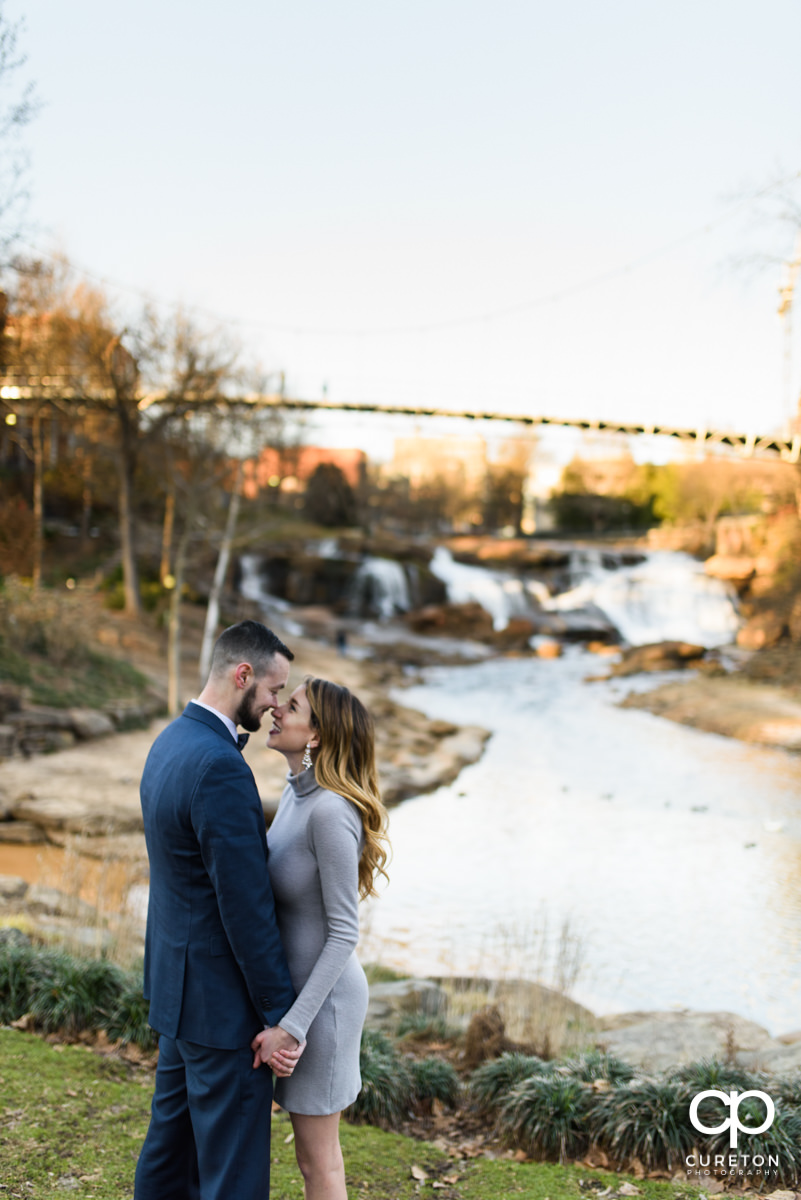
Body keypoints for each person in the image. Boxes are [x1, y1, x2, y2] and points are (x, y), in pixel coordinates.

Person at [134, 619, 304, 1200]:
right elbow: (246, 908)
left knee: (169, 1154)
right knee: (232, 1174)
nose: (276, 704)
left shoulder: (169, 742)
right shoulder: (222, 769)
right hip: (222, 1010)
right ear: (243, 675)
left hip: (177, 996)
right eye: (274, 690)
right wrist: (280, 1014)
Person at [252, 676, 389, 1200]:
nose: (275, 711)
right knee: (310, 1157)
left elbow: (343, 933)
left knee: (318, 1162)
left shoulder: (331, 812)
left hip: (323, 1009)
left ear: (315, 737)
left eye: (290, 707)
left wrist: (292, 1027)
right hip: (297, 1004)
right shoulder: (295, 795)